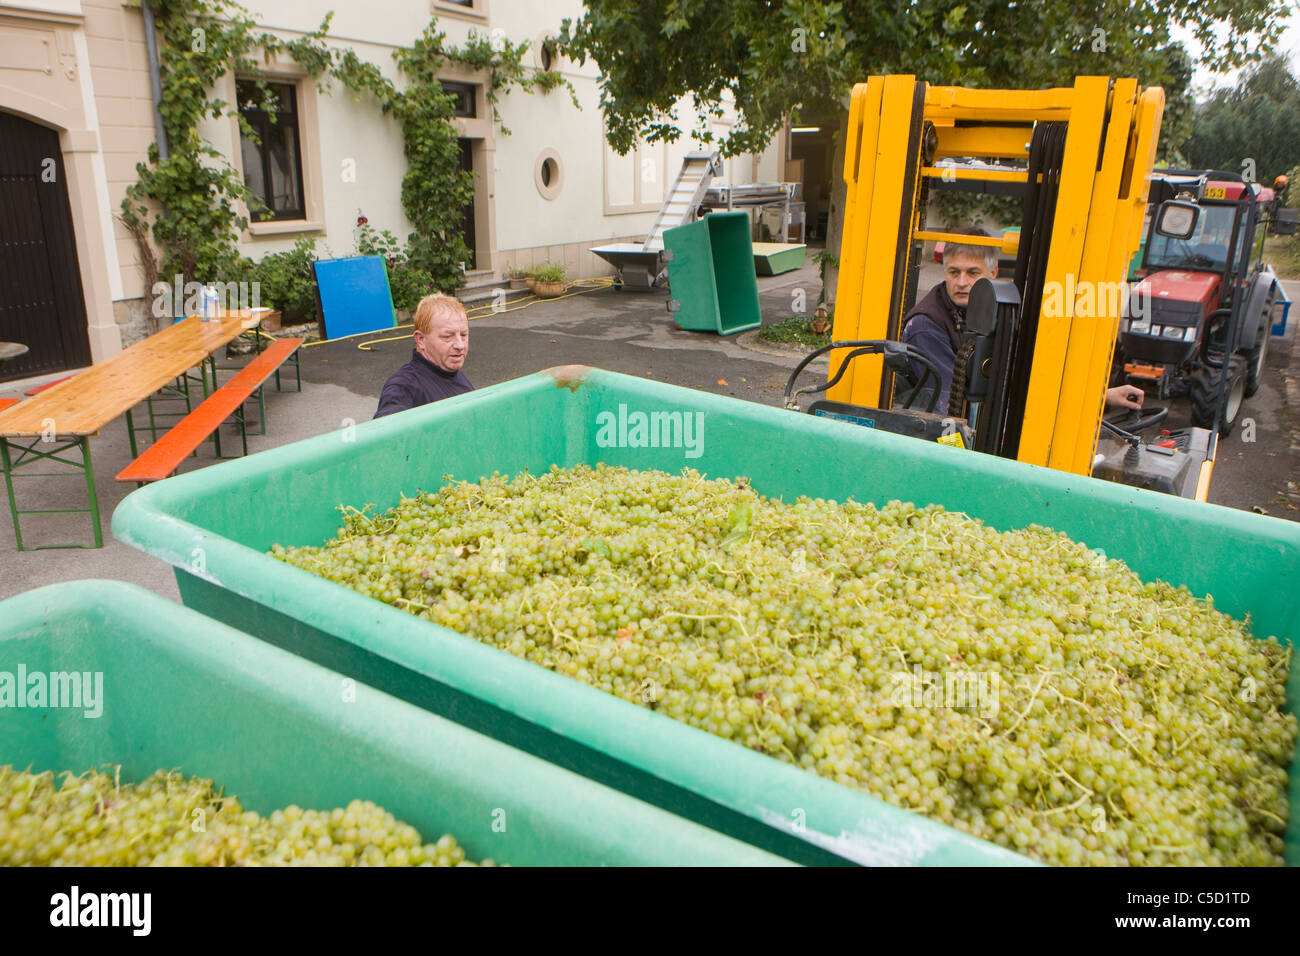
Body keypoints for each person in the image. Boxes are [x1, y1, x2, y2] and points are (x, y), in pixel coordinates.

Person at [901, 227, 1144, 413]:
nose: (962, 282)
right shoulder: (926, 326)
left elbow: (1024, 377)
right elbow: (951, 406)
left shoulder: (996, 314)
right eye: (954, 272)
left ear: (993, 273)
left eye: (972, 273)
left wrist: (1099, 399)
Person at [374, 293, 473, 419]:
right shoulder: (403, 386)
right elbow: (385, 428)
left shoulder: (451, 373)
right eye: (447, 336)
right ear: (420, 339)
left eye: (463, 335)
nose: (460, 345)